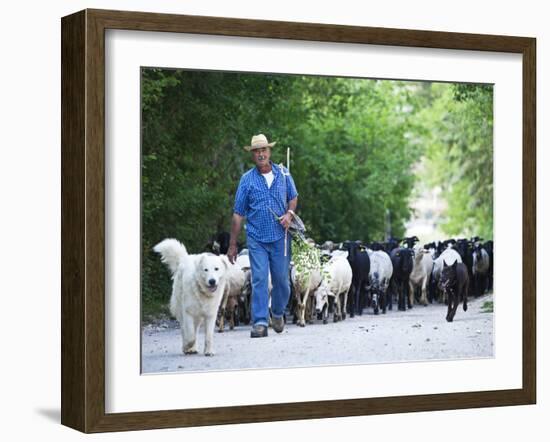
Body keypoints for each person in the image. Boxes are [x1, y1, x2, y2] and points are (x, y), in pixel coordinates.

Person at [228, 134, 298, 338]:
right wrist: (232, 244)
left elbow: (293, 198)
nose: (260, 154)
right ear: (252, 155)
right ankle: (259, 322)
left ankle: (277, 313)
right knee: (258, 279)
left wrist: (289, 214)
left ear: (269, 152)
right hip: (257, 238)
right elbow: (238, 213)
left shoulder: (284, 174)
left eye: (263, 150)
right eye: (256, 151)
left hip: (280, 238)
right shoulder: (246, 180)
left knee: (282, 281)